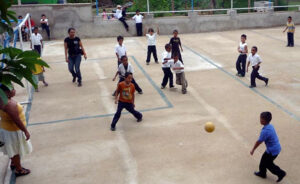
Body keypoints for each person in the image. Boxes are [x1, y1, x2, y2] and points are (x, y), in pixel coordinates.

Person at [0, 85, 32, 177]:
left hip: (6, 128)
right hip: (13, 130)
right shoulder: (9, 104)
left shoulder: (2, 99)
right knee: (16, 150)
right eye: (12, 89)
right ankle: (19, 169)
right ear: (6, 92)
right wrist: (25, 131)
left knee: (12, 148)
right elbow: (16, 120)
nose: (14, 90)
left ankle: (14, 163)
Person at [250, 111, 286, 183]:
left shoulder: (265, 131)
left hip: (272, 151)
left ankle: (281, 173)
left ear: (264, 120)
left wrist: (253, 149)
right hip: (275, 148)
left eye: (261, 119)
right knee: (263, 161)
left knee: (268, 164)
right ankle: (262, 173)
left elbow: (259, 142)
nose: (260, 120)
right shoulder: (270, 126)